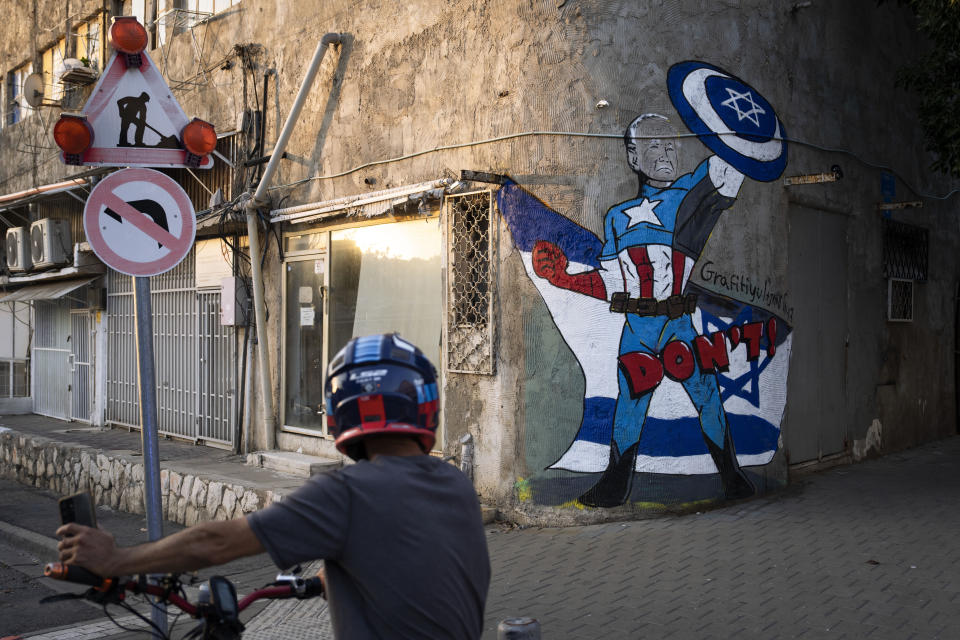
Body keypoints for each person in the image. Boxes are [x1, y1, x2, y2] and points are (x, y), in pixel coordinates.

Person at [56, 333, 491, 639]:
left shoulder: (346, 493)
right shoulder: (454, 484)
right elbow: (418, 550)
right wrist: (341, 574)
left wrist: (117, 559)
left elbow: (215, 543)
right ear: (424, 405)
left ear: (339, 411)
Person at [532, 113, 754, 507]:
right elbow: (613, 284)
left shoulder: (691, 193)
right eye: (653, 146)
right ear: (633, 158)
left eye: (670, 144)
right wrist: (566, 279)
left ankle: (731, 477)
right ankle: (615, 484)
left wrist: (730, 119)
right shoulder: (618, 217)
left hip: (677, 324)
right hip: (637, 326)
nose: (665, 153)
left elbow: (730, 170)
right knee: (629, 406)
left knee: (705, 396)